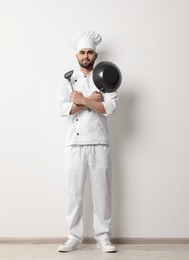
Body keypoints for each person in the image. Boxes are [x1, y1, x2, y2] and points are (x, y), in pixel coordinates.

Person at [57, 30, 118, 253]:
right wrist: (90, 100)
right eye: (82, 52)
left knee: (102, 192)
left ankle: (103, 236)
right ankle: (74, 236)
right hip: (74, 144)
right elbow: (64, 109)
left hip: (100, 143)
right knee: (73, 193)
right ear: (77, 55)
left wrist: (82, 100)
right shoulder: (67, 80)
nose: (86, 56)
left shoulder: (107, 77)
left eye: (90, 52)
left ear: (96, 55)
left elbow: (108, 108)